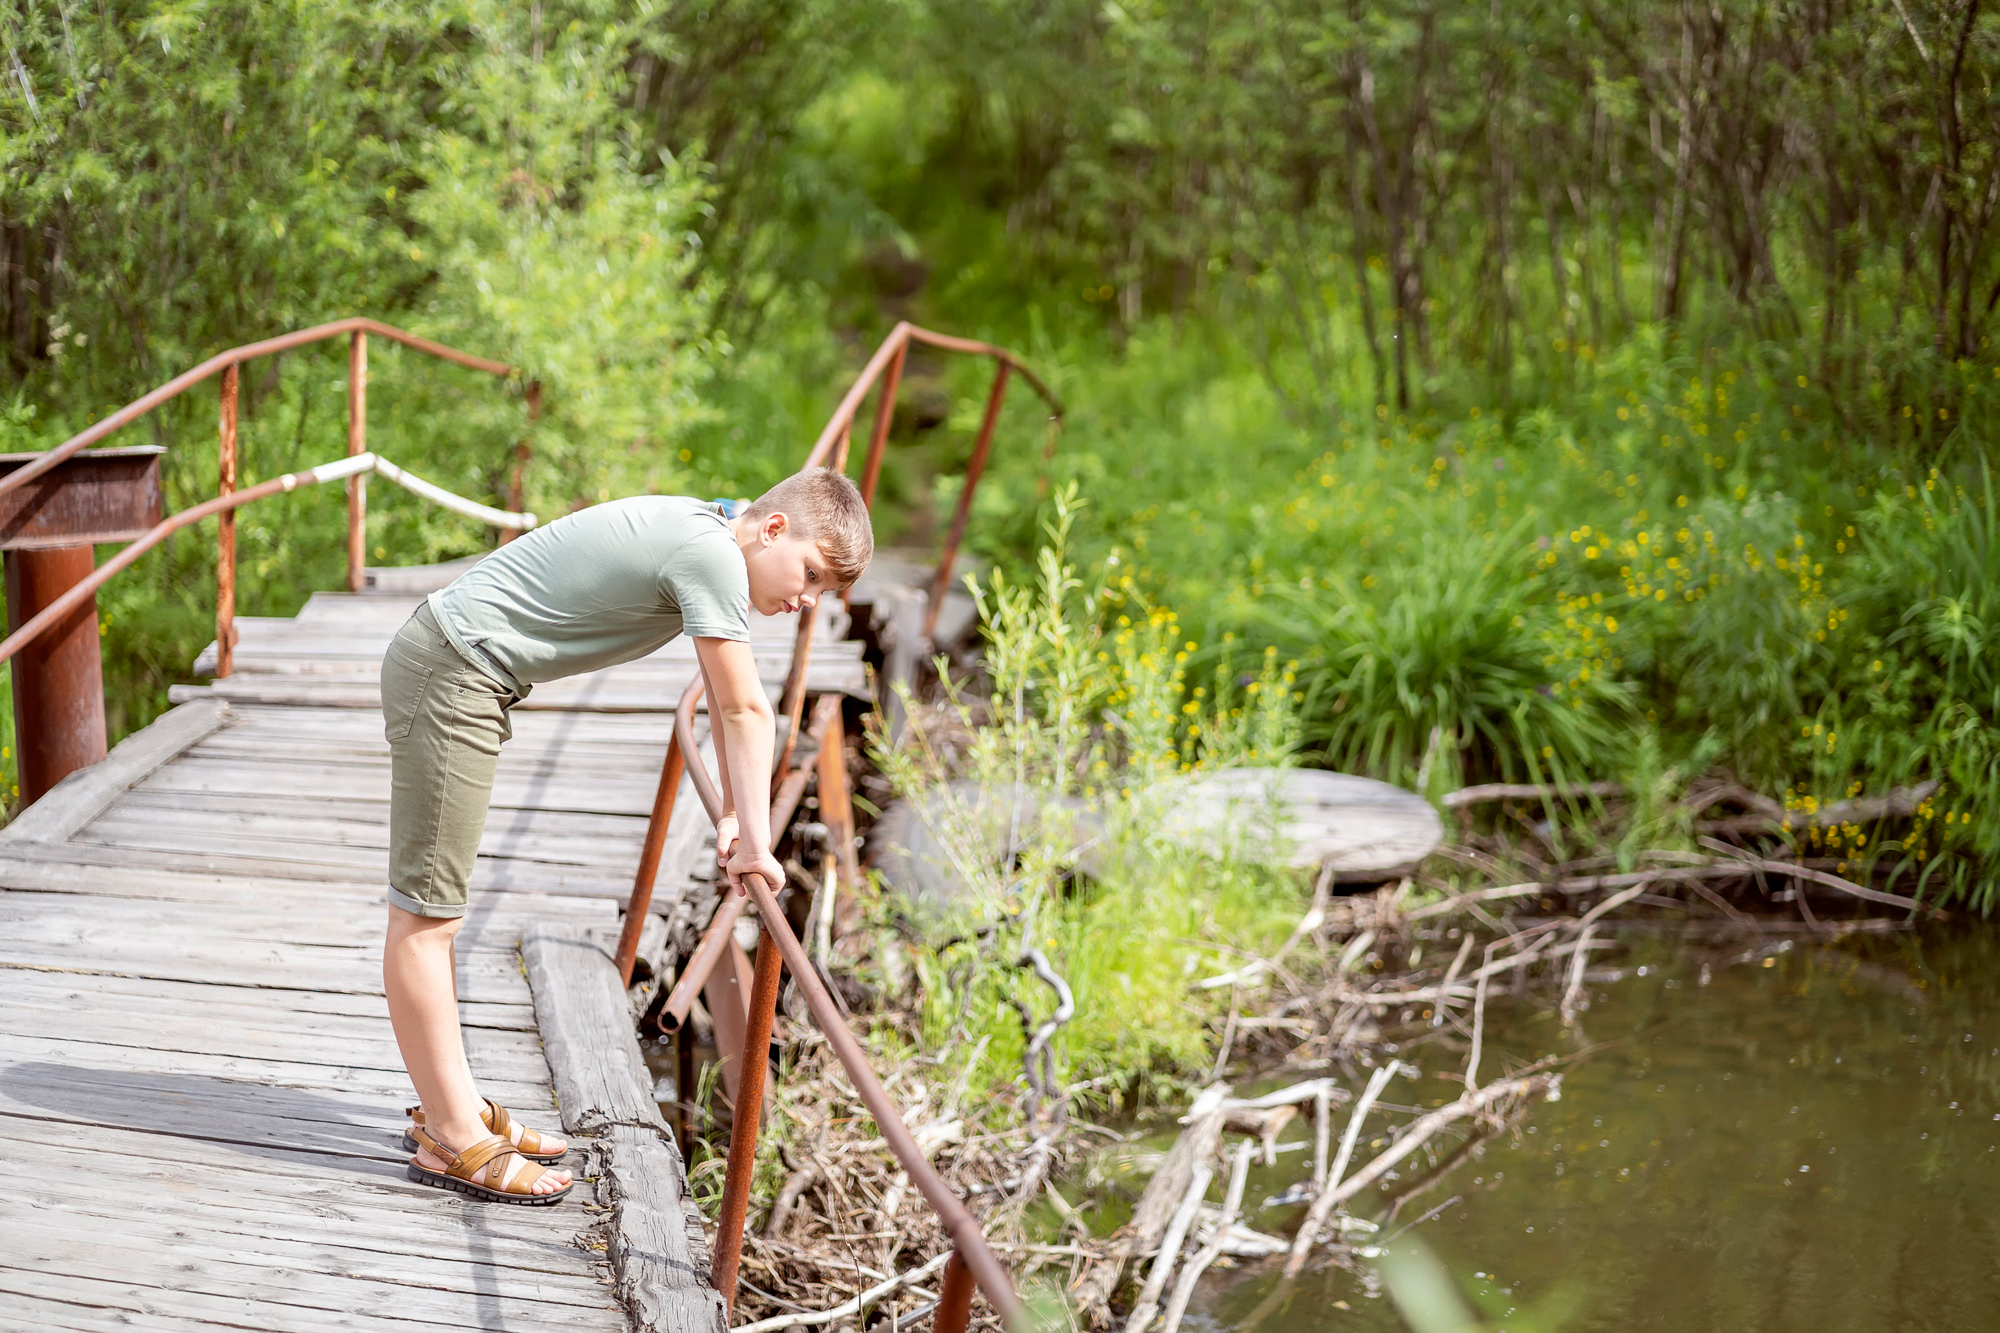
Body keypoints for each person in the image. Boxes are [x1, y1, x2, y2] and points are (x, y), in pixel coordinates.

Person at [379, 470, 873, 1203]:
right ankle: (452, 1132)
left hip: (460, 666)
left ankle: (454, 1103)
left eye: (823, 592)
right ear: (771, 528)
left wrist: (737, 814)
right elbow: (743, 710)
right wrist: (759, 844)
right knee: (426, 918)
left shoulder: (706, 528)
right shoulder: (708, 553)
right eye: (810, 574)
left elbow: (736, 707)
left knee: (435, 915)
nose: (806, 601)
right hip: (453, 671)